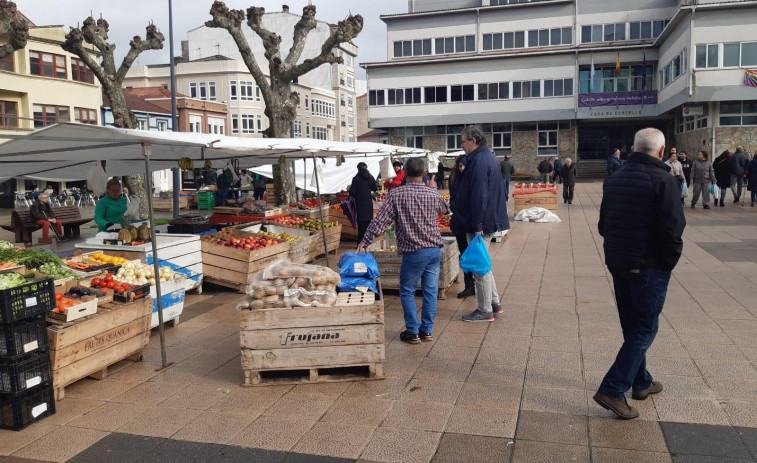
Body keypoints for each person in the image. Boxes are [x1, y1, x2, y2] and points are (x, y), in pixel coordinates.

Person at [594, 127, 686, 420]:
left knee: (633, 326)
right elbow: (673, 230)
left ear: (633, 148)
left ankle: (641, 382)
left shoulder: (615, 178)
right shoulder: (663, 179)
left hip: (619, 262)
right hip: (648, 266)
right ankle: (612, 388)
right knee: (645, 328)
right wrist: (667, 263)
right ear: (661, 152)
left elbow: (603, 225)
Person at [357, 157, 449, 344]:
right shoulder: (432, 194)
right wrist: (434, 189)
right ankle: (427, 330)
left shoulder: (397, 195)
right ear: (424, 173)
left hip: (414, 251)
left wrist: (365, 241)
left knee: (407, 291)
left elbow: (380, 222)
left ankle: (413, 331)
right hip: (434, 250)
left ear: (404, 173)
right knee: (430, 291)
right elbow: (446, 209)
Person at [452, 125, 509, 323]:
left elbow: (479, 195)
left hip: (479, 223)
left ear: (473, 141)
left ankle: (485, 310)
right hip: (485, 220)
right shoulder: (485, 157)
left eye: (463, 142)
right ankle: (494, 303)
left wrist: (477, 224)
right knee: (483, 263)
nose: (462, 146)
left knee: (479, 267)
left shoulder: (479, 161)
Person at [449, 155, 474, 299]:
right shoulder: (455, 178)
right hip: (459, 221)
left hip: (471, 221)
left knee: (474, 254)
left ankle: (477, 283)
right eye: (459, 166)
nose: (461, 168)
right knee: (464, 253)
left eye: (463, 165)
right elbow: (452, 197)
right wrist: (455, 206)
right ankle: (469, 285)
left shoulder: (472, 177)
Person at [349, 162, 378, 244]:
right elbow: (375, 188)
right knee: (368, 226)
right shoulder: (370, 177)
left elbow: (352, 192)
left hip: (359, 205)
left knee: (361, 227)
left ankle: (360, 244)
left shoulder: (356, 178)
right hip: (368, 204)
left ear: (358, 169)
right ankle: (368, 243)